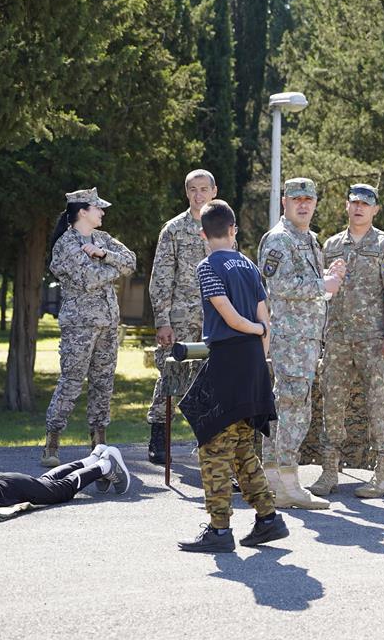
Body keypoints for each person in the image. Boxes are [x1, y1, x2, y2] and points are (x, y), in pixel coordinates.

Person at [177, 200, 287, 553]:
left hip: (228, 358)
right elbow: (265, 318)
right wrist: (260, 349)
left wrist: (255, 330)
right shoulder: (250, 266)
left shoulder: (207, 266)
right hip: (253, 361)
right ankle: (268, 518)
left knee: (213, 446)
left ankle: (219, 529)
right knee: (240, 446)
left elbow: (230, 316)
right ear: (233, 230)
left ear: (203, 234)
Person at [318, 184, 384, 497]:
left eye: (365, 204)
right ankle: (329, 473)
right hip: (338, 339)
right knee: (332, 403)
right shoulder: (331, 245)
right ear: (347, 206)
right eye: (354, 203)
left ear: (375, 210)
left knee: (377, 405)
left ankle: (383, 476)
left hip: (374, 340)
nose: (359, 208)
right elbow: (322, 292)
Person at [257, 178, 344, 508]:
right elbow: (279, 284)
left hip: (306, 338)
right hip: (291, 340)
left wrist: (329, 279)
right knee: (293, 409)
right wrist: (325, 283)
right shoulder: (280, 238)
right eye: (297, 199)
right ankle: (288, 484)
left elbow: (310, 286)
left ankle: (275, 481)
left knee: (285, 407)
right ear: (285, 202)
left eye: (309, 199)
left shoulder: (309, 239)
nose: (303, 205)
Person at [41, 188, 136, 467]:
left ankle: (99, 443)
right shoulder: (66, 244)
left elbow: (131, 260)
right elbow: (90, 279)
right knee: (71, 381)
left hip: (108, 321)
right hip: (79, 325)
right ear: (83, 211)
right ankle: (52, 442)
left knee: (103, 383)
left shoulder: (102, 239)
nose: (103, 212)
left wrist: (103, 254)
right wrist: (114, 267)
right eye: (98, 208)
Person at [146, 169, 217, 464]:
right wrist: (162, 321)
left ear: (214, 191)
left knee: (210, 380)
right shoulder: (174, 229)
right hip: (180, 318)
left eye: (203, 189)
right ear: (187, 192)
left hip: (214, 319)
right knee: (171, 375)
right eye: (192, 190)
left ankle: (206, 440)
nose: (198, 195)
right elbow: (161, 278)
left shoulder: (223, 226)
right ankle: (159, 437)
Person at [0, 445, 131, 513]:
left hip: (11, 488)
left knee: (62, 491)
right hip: (3, 483)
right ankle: (92, 460)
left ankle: (105, 465)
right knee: (47, 482)